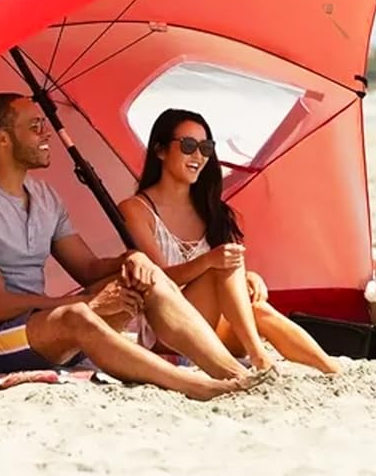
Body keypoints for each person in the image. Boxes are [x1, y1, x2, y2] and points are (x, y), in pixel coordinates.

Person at [0, 93, 263, 401]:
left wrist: (132, 258)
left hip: (44, 328)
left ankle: (233, 374)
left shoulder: (46, 198)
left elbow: (86, 268)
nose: (45, 133)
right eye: (34, 127)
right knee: (76, 315)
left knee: (144, 278)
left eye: (44, 124)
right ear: (1, 139)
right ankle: (198, 387)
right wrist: (89, 303)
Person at [117, 108, 342, 374]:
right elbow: (158, 281)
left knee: (257, 307)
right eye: (188, 146)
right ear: (160, 151)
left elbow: (222, 271)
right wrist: (210, 262)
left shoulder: (210, 210)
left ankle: (331, 370)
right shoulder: (136, 209)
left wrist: (248, 276)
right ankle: (260, 358)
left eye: (206, 147)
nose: (198, 156)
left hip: (211, 329)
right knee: (220, 268)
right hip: (167, 331)